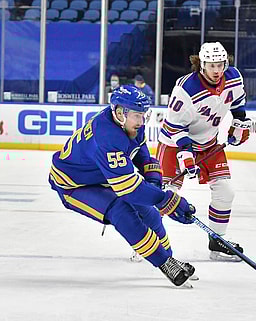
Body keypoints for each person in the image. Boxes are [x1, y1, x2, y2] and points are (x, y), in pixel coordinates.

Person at [48, 84, 197, 287]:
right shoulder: (107, 137)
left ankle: (171, 259)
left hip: (99, 176)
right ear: (119, 113)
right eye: (137, 115)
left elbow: (142, 154)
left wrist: (154, 184)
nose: (142, 120)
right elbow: (130, 190)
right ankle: (165, 263)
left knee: (149, 212)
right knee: (121, 212)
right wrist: (167, 200)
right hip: (73, 185)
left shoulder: (130, 123)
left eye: (144, 114)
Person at [156, 42, 252, 261]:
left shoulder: (234, 77)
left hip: (209, 143)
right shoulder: (185, 89)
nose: (217, 70)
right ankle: (146, 241)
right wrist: (185, 154)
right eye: (212, 66)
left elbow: (238, 105)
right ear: (202, 65)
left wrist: (240, 123)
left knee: (225, 191)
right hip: (174, 144)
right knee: (163, 195)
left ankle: (217, 243)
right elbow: (174, 126)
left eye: (221, 65)